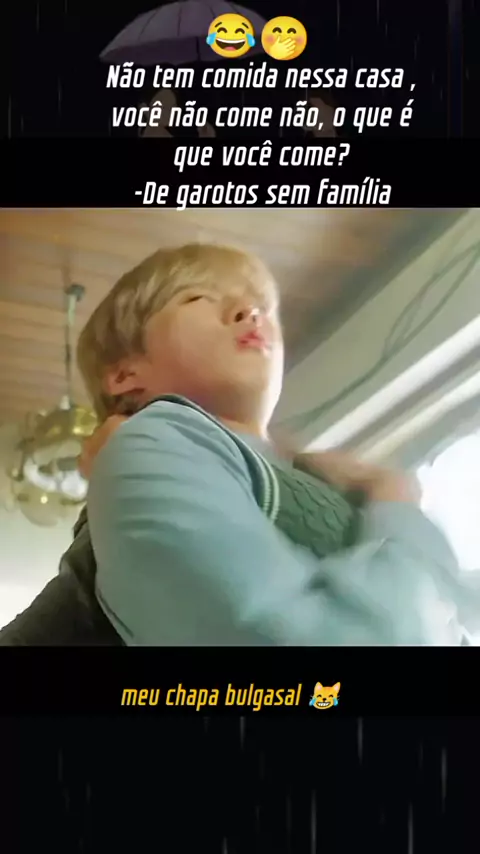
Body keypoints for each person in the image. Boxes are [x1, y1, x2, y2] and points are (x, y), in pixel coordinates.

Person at [0, 243, 466, 645]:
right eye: (198, 297)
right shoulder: (149, 443)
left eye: (262, 305)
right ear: (125, 374)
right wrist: (397, 507)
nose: (249, 311)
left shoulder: (318, 479)